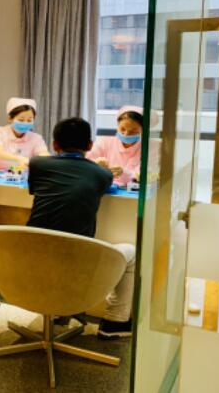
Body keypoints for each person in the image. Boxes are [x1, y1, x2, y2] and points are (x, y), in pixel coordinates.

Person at [27, 117, 136, 339]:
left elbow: (38, 189)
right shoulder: (102, 174)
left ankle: (58, 310)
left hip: (29, 261)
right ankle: (115, 323)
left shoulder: (37, 164)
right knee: (132, 253)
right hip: (78, 266)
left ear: (55, 144)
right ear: (89, 145)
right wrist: (103, 169)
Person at [86, 106, 144, 186]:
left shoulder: (146, 148)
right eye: (122, 129)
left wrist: (125, 173)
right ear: (117, 126)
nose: (126, 134)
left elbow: (145, 176)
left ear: (142, 130)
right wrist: (95, 165)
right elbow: (84, 164)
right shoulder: (104, 142)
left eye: (133, 131)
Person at [0, 97, 50, 171]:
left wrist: (44, 158)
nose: (25, 123)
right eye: (21, 120)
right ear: (10, 118)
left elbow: (43, 154)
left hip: (22, 174)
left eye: (29, 120)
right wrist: (19, 158)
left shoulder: (36, 138)